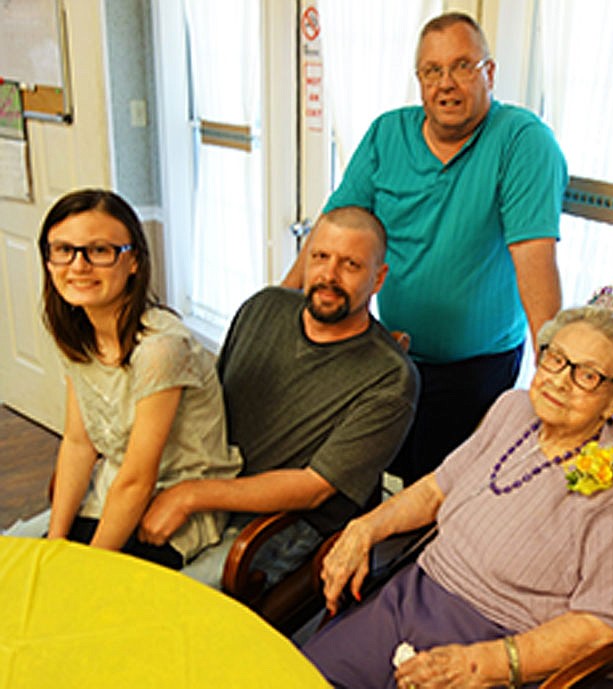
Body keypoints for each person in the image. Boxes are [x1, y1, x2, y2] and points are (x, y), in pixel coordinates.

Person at [302, 287, 613, 689]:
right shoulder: (513, 407)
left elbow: (602, 622)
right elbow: (437, 489)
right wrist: (363, 528)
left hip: (506, 639)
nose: (560, 381)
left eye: (587, 375)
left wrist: (488, 664)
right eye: (555, 359)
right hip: (415, 593)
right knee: (296, 678)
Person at [283, 12, 567, 485]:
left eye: (462, 66)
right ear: (419, 80)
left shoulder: (522, 141)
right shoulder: (386, 134)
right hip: (385, 350)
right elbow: (332, 232)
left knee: (438, 489)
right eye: (432, 71)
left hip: (474, 368)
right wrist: (280, 314)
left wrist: (555, 370)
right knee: (363, 470)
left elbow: (534, 260)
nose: (446, 84)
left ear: (489, 73)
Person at [138, 206, 418, 588]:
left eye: (350, 264)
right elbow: (210, 409)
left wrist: (190, 496)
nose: (329, 276)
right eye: (320, 257)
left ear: (378, 278)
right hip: (209, 481)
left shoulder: (391, 378)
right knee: (81, 549)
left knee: (165, 602)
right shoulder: (263, 307)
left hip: (279, 525)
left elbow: (315, 488)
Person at [35, 188, 240, 569]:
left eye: (99, 251)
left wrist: (87, 570)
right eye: (63, 249)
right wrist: (54, 541)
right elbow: (79, 443)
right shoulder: (78, 334)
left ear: (133, 262)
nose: (78, 266)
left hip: (170, 509)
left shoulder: (161, 349)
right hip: (112, 493)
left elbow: (138, 479)